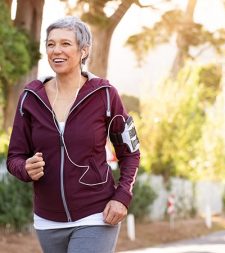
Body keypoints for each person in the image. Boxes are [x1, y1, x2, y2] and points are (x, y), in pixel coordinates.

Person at [6, 16, 140, 253]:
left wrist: (122, 197)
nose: (56, 50)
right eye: (50, 44)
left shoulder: (106, 95)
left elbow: (131, 153)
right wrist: (25, 168)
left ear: (83, 50)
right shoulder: (30, 97)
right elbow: (14, 157)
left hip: (96, 214)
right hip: (47, 220)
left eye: (65, 43)